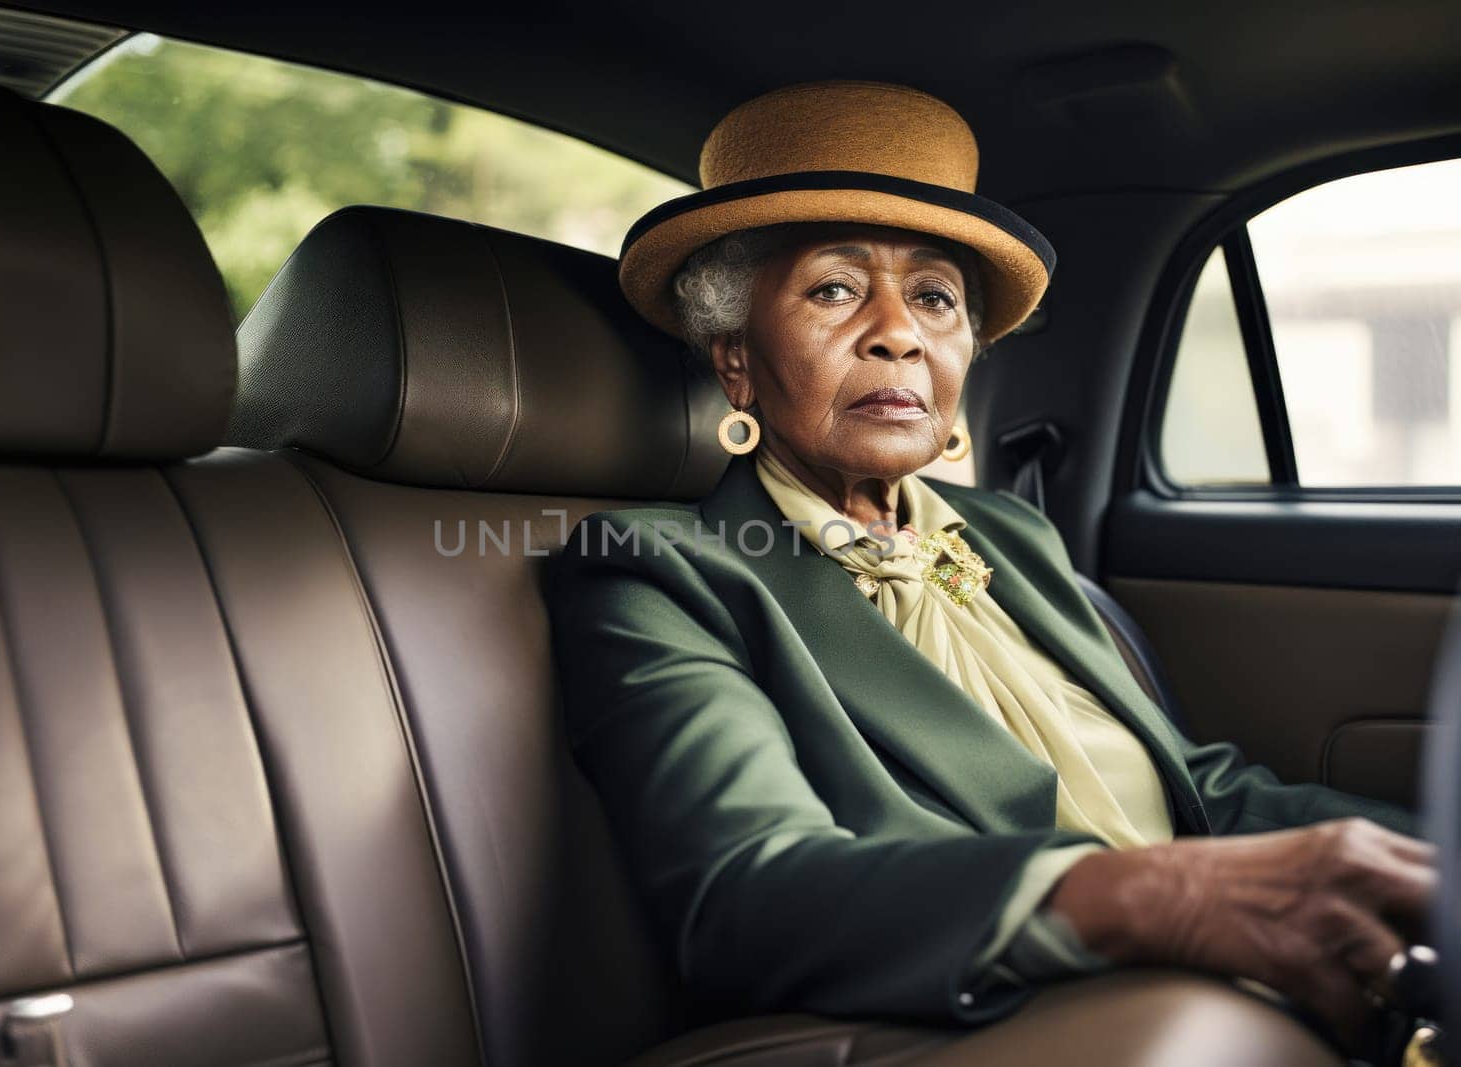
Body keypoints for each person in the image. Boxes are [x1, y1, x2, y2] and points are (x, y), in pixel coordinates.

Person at [546, 79, 1432, 1052]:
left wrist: (1431, 854)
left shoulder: (1010, 535)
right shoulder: (660, 571)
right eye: (835, 288)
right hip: (957, 1013)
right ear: (735, 360)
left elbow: (1195, 787)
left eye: (935, 297)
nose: (899, 331)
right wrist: (1149, 894)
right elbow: (746, 890)